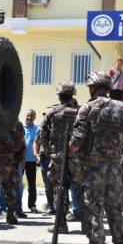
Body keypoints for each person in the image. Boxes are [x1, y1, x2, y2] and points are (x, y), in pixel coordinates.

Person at [69, 71, 123, 244]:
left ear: (93, 87)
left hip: (93, 168)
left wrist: (68, 154)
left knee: (94, 211)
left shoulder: (88, 108)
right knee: (116, 211)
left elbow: (77, 141)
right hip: (116, 168)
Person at [41, 81, 79, 234]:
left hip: (58, 156)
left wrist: (49, 152)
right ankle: (88, 225)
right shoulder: (81, 111)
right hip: (77, 157)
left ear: (59, 95)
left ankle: (61, 224)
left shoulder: (52, 112)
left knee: (59, 189)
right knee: (81, 189)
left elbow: (43, 132)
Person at [18, 109, 39, 214]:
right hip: (20, 160)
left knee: (32, 184)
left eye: (31, 116)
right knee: (17, 183)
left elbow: (39, 144)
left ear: (34, 117)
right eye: (27, 115)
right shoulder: (20, 128)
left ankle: (32, 205)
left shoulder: (38, 129)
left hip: (31, 160)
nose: (29, 117)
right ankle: (17, 205)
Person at [34, 118, 55, 215]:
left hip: (57, 158)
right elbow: (36, 142)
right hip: (45, 159)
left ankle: (61, 208)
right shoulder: (42, 128)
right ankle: (51, 207)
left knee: (60, 184)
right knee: (48, 185)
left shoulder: (60, 125)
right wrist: (36, 154)